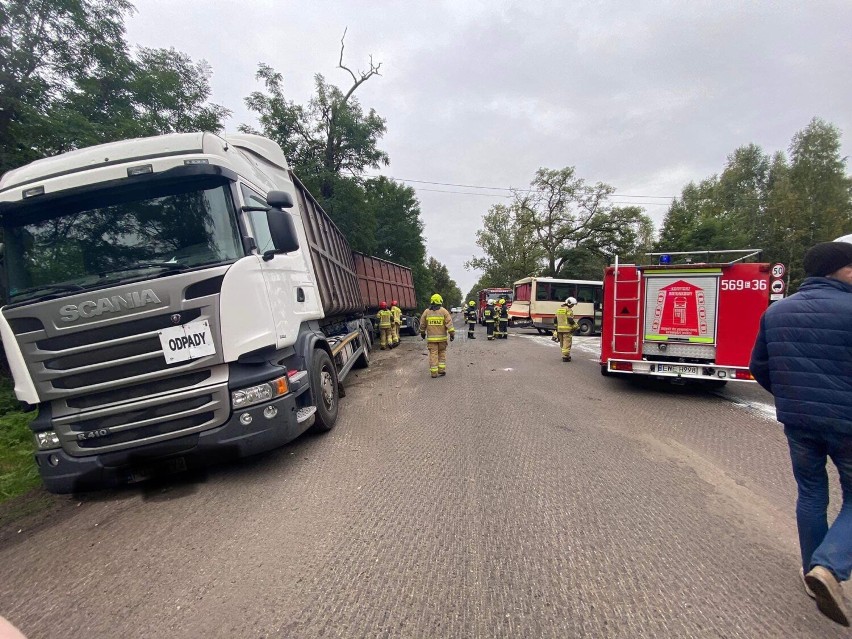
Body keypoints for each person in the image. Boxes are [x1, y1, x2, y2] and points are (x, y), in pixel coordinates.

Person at [750, 241, 852, 627]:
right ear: (841, 270)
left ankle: (813, 574)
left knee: (811, 492)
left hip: (799, 422)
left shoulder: (777, 311)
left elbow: (759, 364)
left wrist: (794, 399)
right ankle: (829, 566)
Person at [419, 293, 455, 377]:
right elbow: (449, 324)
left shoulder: (426, 312)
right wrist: (452, 334)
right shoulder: (444, 311)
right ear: (440, 301)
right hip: (442, 339)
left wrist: (422, 333)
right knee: (442, 353)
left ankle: (434, 373)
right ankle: (441, 370)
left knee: (433, 354)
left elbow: (422, 324)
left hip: (431, 340)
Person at [552, 297, 578, 361]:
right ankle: (566, 357)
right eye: (572, 305)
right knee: (567, 342)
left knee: (562, 343)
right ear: (569, 303)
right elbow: (570, 319)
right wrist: (575, 325)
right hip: (567, 330)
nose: (573, 306)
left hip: (559, 329)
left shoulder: (559, 309)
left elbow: (555, 319)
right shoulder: (568, 309)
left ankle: (564, 354)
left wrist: (556, 327)